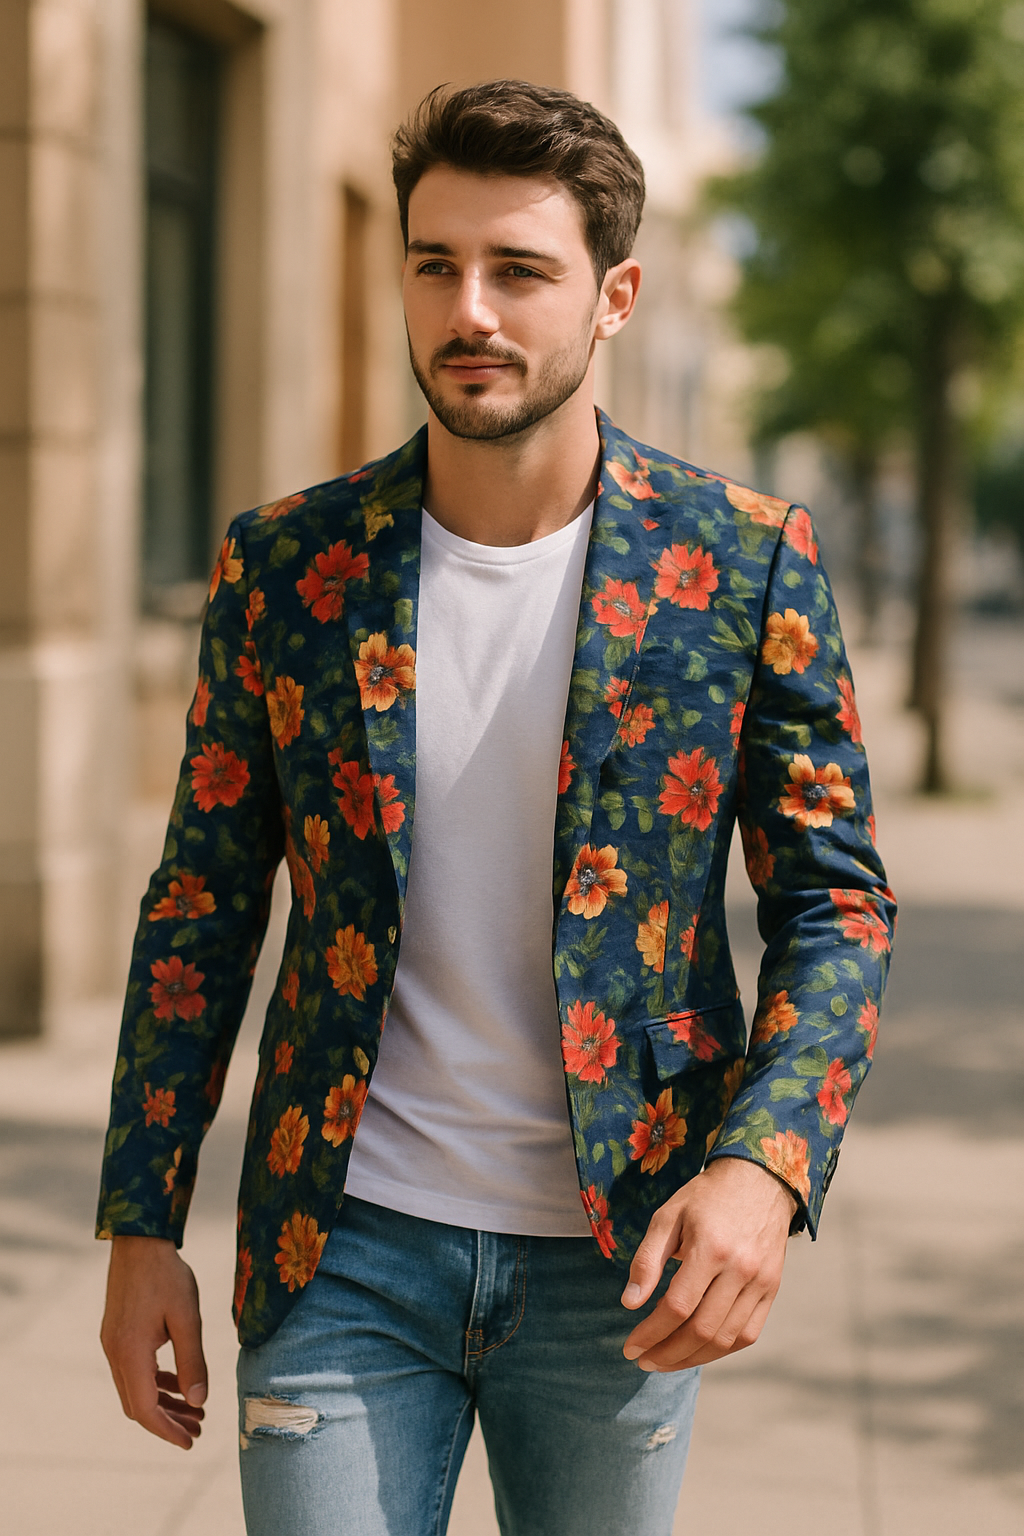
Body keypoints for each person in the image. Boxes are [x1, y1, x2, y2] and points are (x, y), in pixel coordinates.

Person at [98, 79, 896, 1536]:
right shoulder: (288, 566)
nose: (469, 310)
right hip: (342, 1244)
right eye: (436, 264)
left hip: (622, 1254)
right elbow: (202, 903)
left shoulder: (742, 561)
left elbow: (834, 901)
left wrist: (764, 1166)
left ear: (613, 298)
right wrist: (142, 1219)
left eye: (519, 269)